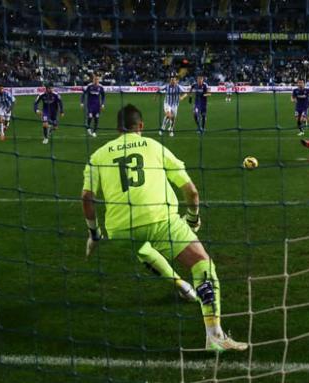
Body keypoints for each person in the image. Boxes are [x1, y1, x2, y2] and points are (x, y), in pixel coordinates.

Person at [82, 104, 247, 352]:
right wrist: (192, 218)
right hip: (160, 220)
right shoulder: (154, 146)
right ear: (141, 126)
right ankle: (214, 335)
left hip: (118, 229)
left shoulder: (99, 155)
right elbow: (191, 191)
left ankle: (180, 286)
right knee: (202, 263)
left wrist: (94, 234)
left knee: (142, 248)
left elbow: (86, 198)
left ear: (118, 129)